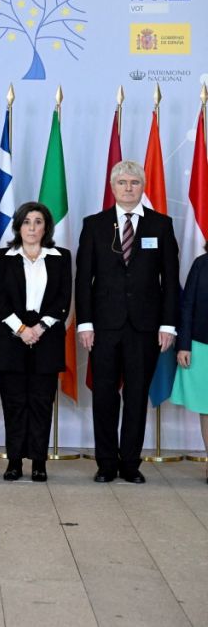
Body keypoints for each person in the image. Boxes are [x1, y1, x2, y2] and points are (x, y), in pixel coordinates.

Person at [77, 159, 179, 483]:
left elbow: (170, 279)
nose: (129, 188)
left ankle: (130, 464)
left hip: (145, 328)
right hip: (104, 327)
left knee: (136, 396)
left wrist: (168, 325)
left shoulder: (161, 225)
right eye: (122, 183)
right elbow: (84, 280)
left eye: (135, 182)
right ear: (113, 188)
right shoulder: (94, 224)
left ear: (143, 186)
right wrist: (85, 324)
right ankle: (106, 464)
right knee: (105, 395)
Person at [0, 202, 72, 482]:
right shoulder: (3, 257)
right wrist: (22, 329)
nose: (32, 227)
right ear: (18, 226)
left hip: (46, 337)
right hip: (11, 337)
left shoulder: (61, 256)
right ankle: (13, 461)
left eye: (38, 222)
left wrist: (39, 327)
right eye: (26, 222)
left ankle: (38, 461)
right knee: (13, 402)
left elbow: (63, 300)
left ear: (46, 226)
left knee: (41, 402)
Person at [172, 246, 208, 485]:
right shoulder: (202, 263)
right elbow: (187, 306)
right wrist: (183, 344)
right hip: (201, 344)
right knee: (207, 408)